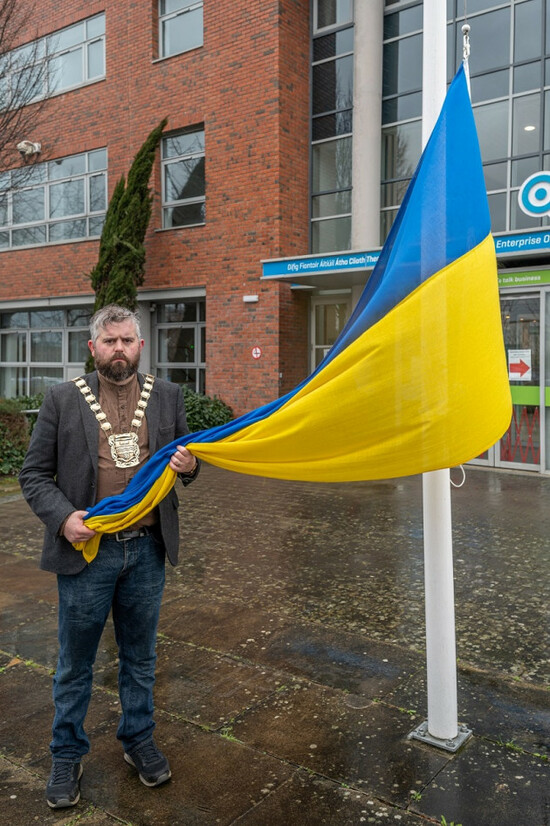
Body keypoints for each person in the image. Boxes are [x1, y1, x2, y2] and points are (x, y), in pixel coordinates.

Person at [19, 304, 199, 809]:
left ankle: (138, 738)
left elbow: (185, 464)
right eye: (109, 341)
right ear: (93, 347)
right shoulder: (61, 399)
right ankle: (66, 753)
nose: (119, 349)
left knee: (140, 659)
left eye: (127, 340)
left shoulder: (167, 397)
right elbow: (32, 475)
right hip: (87, 554)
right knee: (75, 664)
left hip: (146, 550)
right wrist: (62, 518)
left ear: (141, 346)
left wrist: (190, 465)